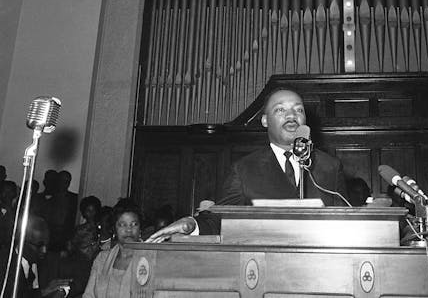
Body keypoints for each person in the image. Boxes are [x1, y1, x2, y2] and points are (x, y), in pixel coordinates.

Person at [147, 88, 349, 240]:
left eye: (299, 110)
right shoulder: (244, 169)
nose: (291, 115)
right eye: (280, 109)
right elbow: (221, 219)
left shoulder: (329, 166)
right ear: (264, 121)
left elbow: (347, 224)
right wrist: (191, 224)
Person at [0, 215, 70, 298]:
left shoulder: (43, 261)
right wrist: (44, 292)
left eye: (47, 245)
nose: (44, 251)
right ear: (22, 242)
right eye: (39, 246)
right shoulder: (1, 265)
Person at [83, 203, 141, 297]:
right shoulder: (102, 259)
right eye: (122, 225)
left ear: (140, 229)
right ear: (114, 229)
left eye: (134, 224)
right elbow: (89, 295)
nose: (129, 230)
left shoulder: (150, 259)